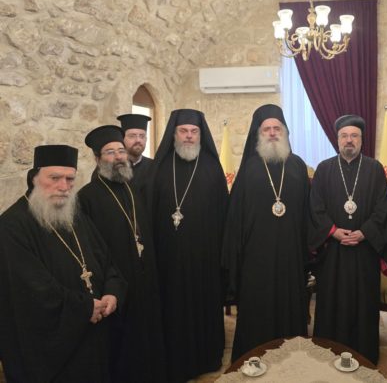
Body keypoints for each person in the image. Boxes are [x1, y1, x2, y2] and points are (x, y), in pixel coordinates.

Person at [0, 145, 126, 383]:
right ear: (34, 178)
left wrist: (112, 291)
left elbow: (106, 260)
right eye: (55, 178)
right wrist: (84, 308)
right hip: (50, 351)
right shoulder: (12, 225)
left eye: (70, 179)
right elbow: (31, 289)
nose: (64, 186)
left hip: (93, 336)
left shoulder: (75, 215)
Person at [309, 115, 387, 365]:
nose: (349, 140)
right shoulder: (324, 168)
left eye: (354, 136)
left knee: (363, 302)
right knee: (332, 300)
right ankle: (329, 351)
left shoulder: (374, 169)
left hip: (364, 251)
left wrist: (364, 232)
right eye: (344, 136)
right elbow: (315, 207)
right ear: (337, 139)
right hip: (333, 252)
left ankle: (364, 353)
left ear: (362, 139)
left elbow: (383, 207)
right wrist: (333, 231)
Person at [78, 125, 166, 383]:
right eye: (110, 152)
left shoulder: (131, 188)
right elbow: (90, 248)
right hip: (116, 284)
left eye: (120, 150)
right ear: (97, 158)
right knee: (122, 347)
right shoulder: (87, 197)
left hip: (144, 278)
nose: (118, 157)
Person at [222, 104, 310, 361]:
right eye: (267, 129)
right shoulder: (249, 168)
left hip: (291, 254)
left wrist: (308, 252)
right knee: (256, 306)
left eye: (277, 128)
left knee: (289, 305)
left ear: (285, 132)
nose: (272, 133)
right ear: (258, 134)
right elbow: (235, 217)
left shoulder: (297, 165)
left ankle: (292, 358)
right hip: (255, 256)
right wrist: (235, 256)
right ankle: (254, 356)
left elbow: (308, 211)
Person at [149, 109, 229, 382]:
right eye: (183, 131)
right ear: (173, 134)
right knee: (172, 308)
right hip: (167, 258)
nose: (189, 136)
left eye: (194, 131)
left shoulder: (212, 168)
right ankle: (173, 359)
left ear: (201, 135)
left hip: (205, 257)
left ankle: (206, 357)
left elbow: (223, 214)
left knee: (203, 306)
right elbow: (149, 213)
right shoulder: (160, 168)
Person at [117, 113, 153, 189]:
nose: (138, 140)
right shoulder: (111, 167)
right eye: (132, 136)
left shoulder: (155, 166)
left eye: (142, 136)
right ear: (122, 139)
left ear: (146, 139)